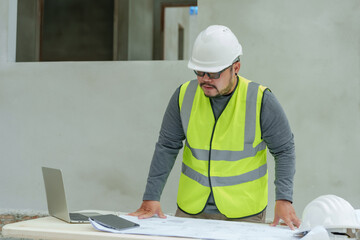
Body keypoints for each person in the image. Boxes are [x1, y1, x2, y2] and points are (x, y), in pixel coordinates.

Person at [130, 25, 300, 230]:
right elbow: (166, 146)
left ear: (235, 68)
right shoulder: (184, 96)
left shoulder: (260, 100)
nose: (205, 79)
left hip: (244, 214)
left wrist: (284, 199)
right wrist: (151, 197)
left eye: (213, 73)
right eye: (199, 72)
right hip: (191, 211)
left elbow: (284, 150)